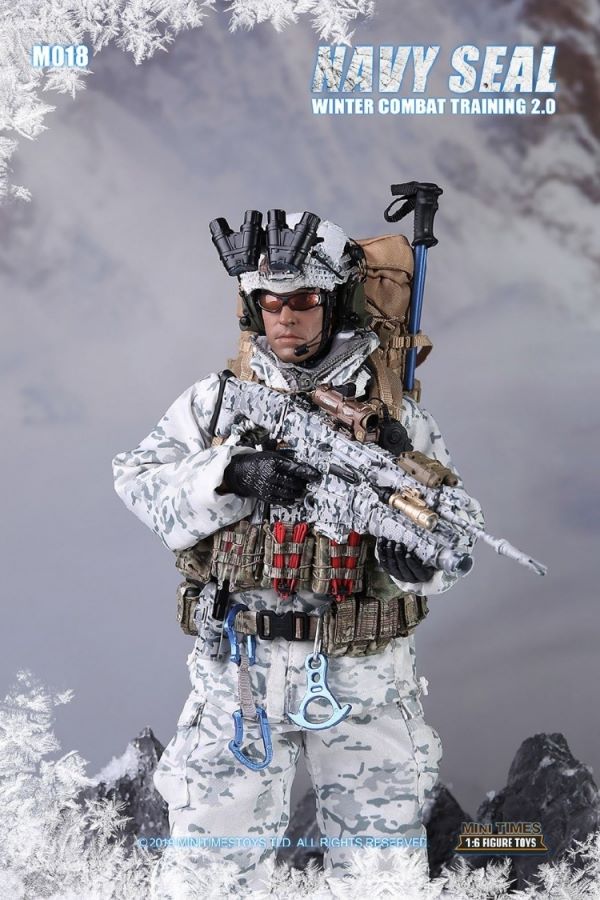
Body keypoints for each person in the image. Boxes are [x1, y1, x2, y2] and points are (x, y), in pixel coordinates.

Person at [112, 210, 483, 892]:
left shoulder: (394, 419)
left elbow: (453, 532)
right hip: (237, 675)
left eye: (304, 299)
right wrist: (228, 475)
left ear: (335, 301)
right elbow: (137, 483)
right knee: (210, 875)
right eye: (269, 301)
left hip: (363, 679)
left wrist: (419, 566)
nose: (284, 317)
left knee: (379, 877)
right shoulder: (216, 405)